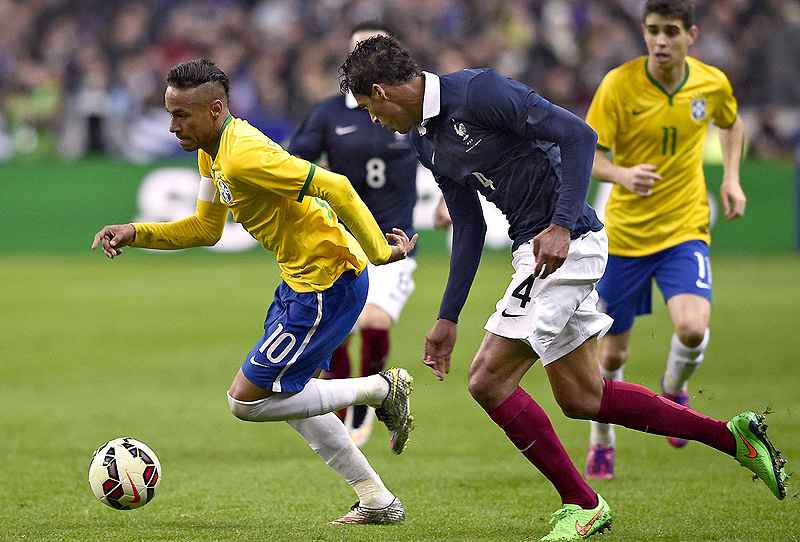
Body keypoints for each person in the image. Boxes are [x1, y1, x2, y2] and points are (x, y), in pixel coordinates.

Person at [339, 35, 787, 541]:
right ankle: (734, 438)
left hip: (567, 244)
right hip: (534, 249)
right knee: (582, 396)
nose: (373, 120)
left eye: (369, 108)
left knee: (487, 379)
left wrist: (562, 224)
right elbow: (468, 225)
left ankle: (583, 503)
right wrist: (448, 316)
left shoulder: (480, 91)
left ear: (382, 92)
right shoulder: (426, 141)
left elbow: (578, 136)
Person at [92, 59, 417, 525]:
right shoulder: (212, 150)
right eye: (169, 113)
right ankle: (376, 500)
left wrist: (380, 252)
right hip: (301, 280)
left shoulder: (243, 154)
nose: (172, 126)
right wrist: (136, 232)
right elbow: (206, 228)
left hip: (327, 281)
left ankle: (381, 389)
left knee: (245, 401)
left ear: (215, 109)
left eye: (182, 115)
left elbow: (338, 187)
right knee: (289, 396)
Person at [583, 0, 748, 479]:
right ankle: (602, 437)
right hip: (625, 237)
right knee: (611, 355)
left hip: (684, 229)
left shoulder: (710, 83)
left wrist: (731, 178)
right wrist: (622, 174)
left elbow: (731, 123)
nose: (660, 40)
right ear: (644, 31)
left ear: (690, 35)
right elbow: (590, 154)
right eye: (653, 30)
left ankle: (673, 389)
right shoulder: (618, 85)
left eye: (671, 31)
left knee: (693, 328)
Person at [287, 21, 419, 447]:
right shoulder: (327, 113)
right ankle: (346, 409)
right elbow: (293, 164)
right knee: (339, 332)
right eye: (359, 48)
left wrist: (445, 200)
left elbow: (443, 155)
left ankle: (368, 400)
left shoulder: (410, 107)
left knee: (374, 322)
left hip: (394, 241)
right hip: (340, 244)